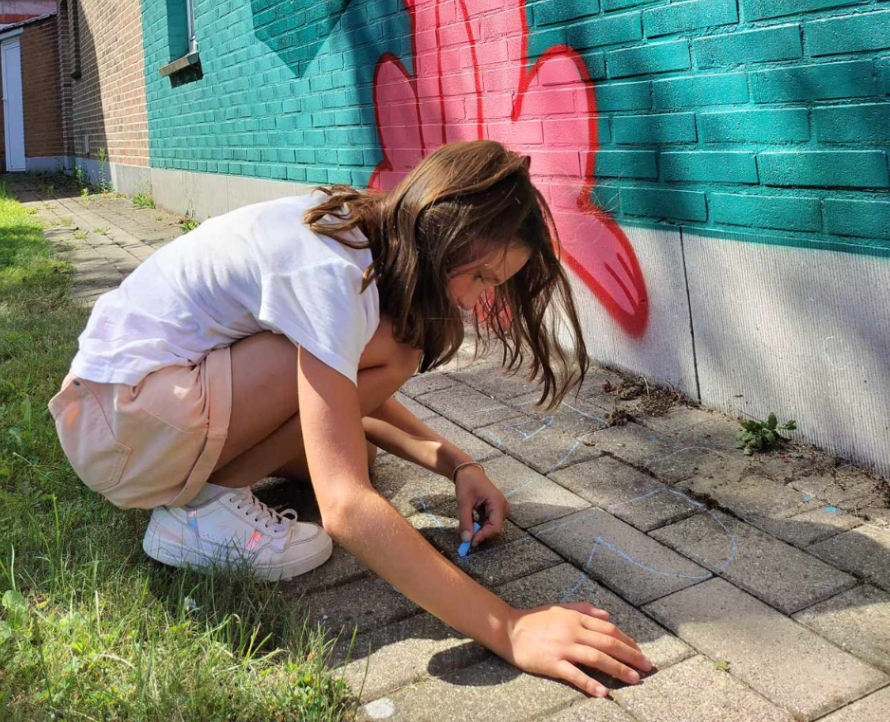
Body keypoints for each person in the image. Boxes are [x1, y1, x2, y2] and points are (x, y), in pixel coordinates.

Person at [48, 139, 653, 697]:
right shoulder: (334, 273)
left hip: (129, 416)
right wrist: (510, 627)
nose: (475, 301)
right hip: (123, 425)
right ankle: (200, 511)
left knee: (354, 442)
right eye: (480, 276)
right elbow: (345, 506)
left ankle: (199, 487)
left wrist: (456, 465)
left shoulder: (359, 236)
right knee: (390, 362)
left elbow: (337, 393)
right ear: (444, 227)